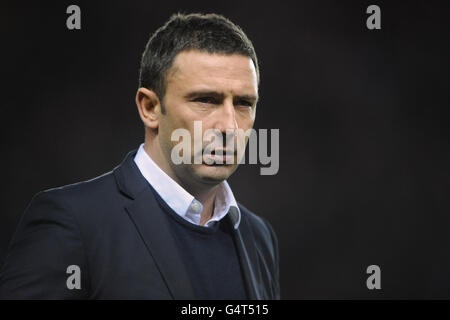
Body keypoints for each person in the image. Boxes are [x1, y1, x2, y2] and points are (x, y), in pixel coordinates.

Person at [0, 12, 280, 299]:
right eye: (206, 100)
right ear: (149, 108)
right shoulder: (72, 222)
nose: (230, 127)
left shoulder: (259, 236)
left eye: (244, 103)